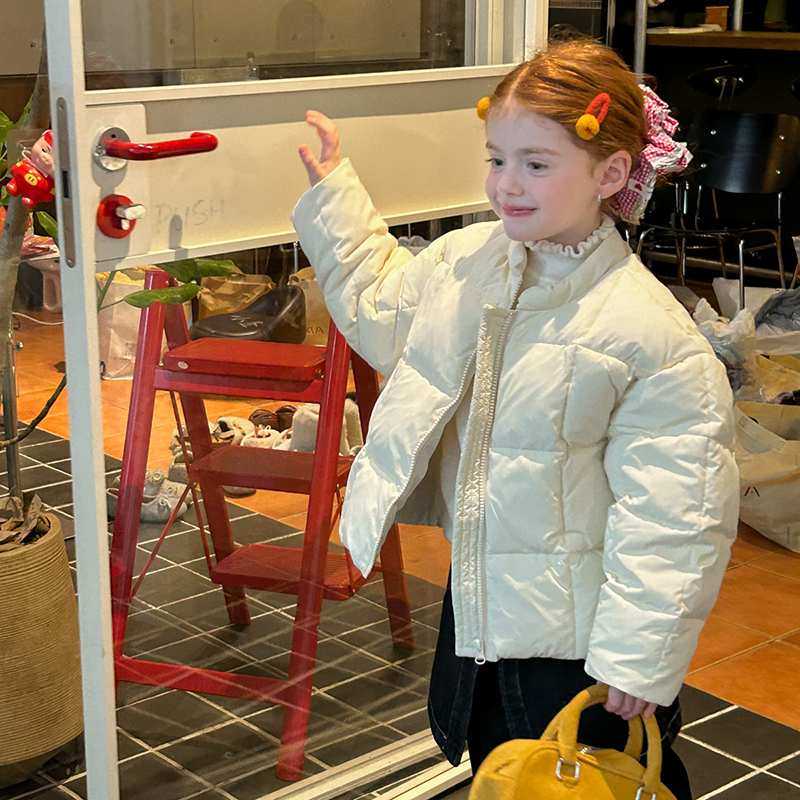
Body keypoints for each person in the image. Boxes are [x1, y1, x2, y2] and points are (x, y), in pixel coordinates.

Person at [291, 39, 739, 800]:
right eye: (497, 159)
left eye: (536, 163)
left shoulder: (647, 334)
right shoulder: (466, 262)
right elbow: (381, 311)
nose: (507, 183)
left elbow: (677, 516)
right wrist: (335, 196)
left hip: (580, 648)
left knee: (595, 781)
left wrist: (637, 657)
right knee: (506, 773)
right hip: (484, 608)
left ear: (611, 173)